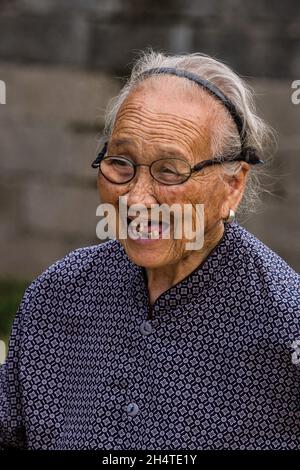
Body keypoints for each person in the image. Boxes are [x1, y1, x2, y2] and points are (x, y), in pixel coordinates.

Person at [0, 50, 299, 450]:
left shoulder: (285, 325)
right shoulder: (56, 298)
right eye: (121, 163)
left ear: (233, 185)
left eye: (170, 171)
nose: (136, 200)